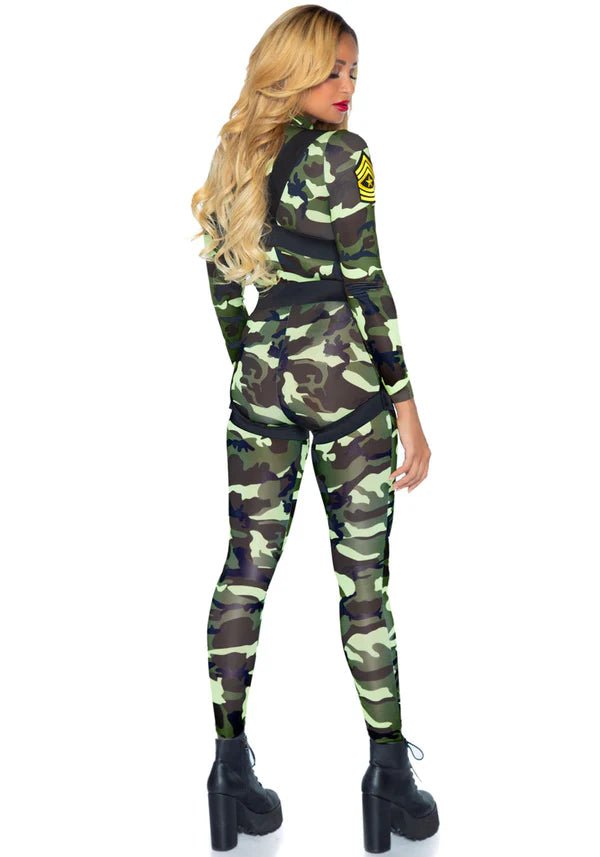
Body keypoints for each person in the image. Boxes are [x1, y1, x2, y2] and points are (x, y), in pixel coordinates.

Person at [191, 5, 439, 852]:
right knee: (362, 582)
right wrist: (407, 407)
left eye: (355, 71)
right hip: (346, 392)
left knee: (243, 570)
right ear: (291, 68)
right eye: (332, 69)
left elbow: (222, 281)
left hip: (259, 389)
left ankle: (228, 771)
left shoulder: (236, 153)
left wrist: (252, 357)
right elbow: (367, 282)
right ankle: (388, 776)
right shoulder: (347, 157)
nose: (347, 86)